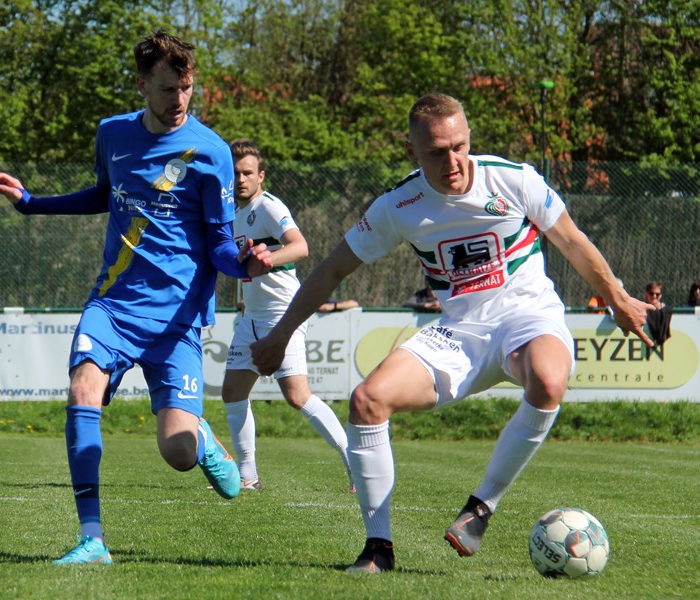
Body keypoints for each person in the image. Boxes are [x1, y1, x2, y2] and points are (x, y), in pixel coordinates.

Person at [250, 93, 652, 573]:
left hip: (527, 316)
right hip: (457, 332)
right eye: (437, 152)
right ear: (413, 152)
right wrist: (280, 335)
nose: (453, 161)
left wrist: (618, 297)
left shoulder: (513, 178)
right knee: (366, 400)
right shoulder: (399, 205)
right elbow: (331, 271)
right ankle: (378, 549)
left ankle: (481, 507)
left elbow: (572, 241)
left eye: (459, 146)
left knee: (547, 381)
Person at [0, 30, 272, 565]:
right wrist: (31, 203)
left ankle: (201, 442)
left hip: (176, 321)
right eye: (168, 89)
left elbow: (219, 246)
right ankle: (92, 538)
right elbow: (102, 193)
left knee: (176, 451)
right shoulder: (112, 134)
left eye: (187, 88)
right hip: (113, 305)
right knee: (82, 391)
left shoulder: (210, 153)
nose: (179, 100)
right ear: (142, 85)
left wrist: (247, 264)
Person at [221, 138, 352, 491]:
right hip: (252, 318)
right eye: (235, 173)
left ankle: (352, 457)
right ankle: (248, 476)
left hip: (282, 314)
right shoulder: (231, 214)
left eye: (247, 173)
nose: (241, 179)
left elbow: (300, 246)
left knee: (297, 395)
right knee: (233, 391)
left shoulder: (268, 207)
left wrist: (268, 260)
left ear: (261, 176)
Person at [645, 281, 672, 345]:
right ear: (647, 294)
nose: (654, 296)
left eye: (657, 294)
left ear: (661, 295)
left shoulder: (667, 310)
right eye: (651, 293)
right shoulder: (641, 308)